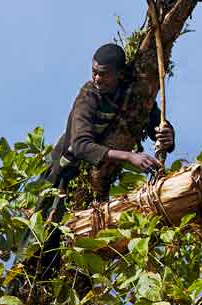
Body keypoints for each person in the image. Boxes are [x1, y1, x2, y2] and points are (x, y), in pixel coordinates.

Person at [29, 42, 176, 280]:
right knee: (43, 243)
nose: (97, 78)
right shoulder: (88, 96)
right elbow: (81, 145)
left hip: (98, 182)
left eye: (103, 74)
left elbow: (153, 121)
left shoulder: (133, 93)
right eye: (94, 72)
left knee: (84, 249)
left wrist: (167, 135)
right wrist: (129, 156)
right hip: (62, 177)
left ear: (120, 74)